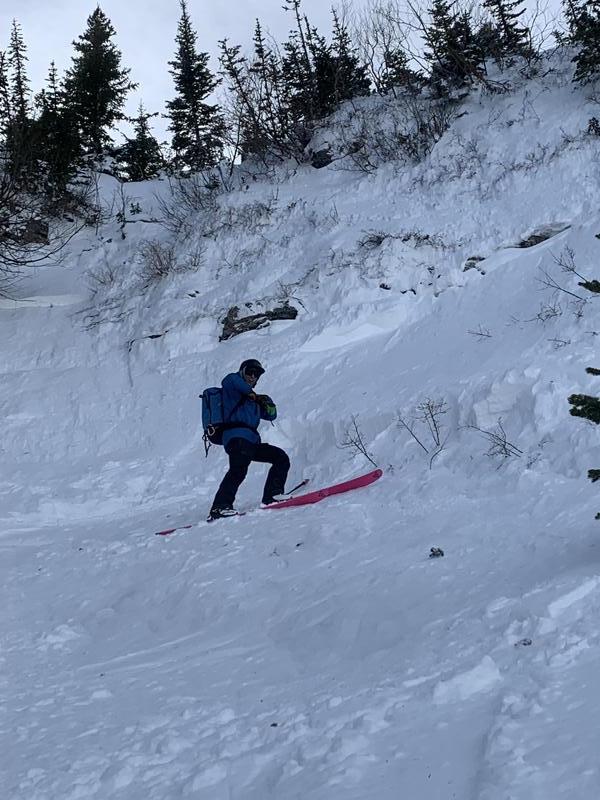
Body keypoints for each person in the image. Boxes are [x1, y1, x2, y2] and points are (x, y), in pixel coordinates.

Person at [208, 359, 290, 521]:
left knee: (280, 458)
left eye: (256, 374)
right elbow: (230, 380)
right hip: (236, 437)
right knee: (238, 469)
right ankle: (220, 506)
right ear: (242, 371)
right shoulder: (232, 389)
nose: (253, 376)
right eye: (250, 372)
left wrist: (267, 402)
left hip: (251, 442)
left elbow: (271, 415)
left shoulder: (254, 401)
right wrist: (252, 394)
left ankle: (273, 495)